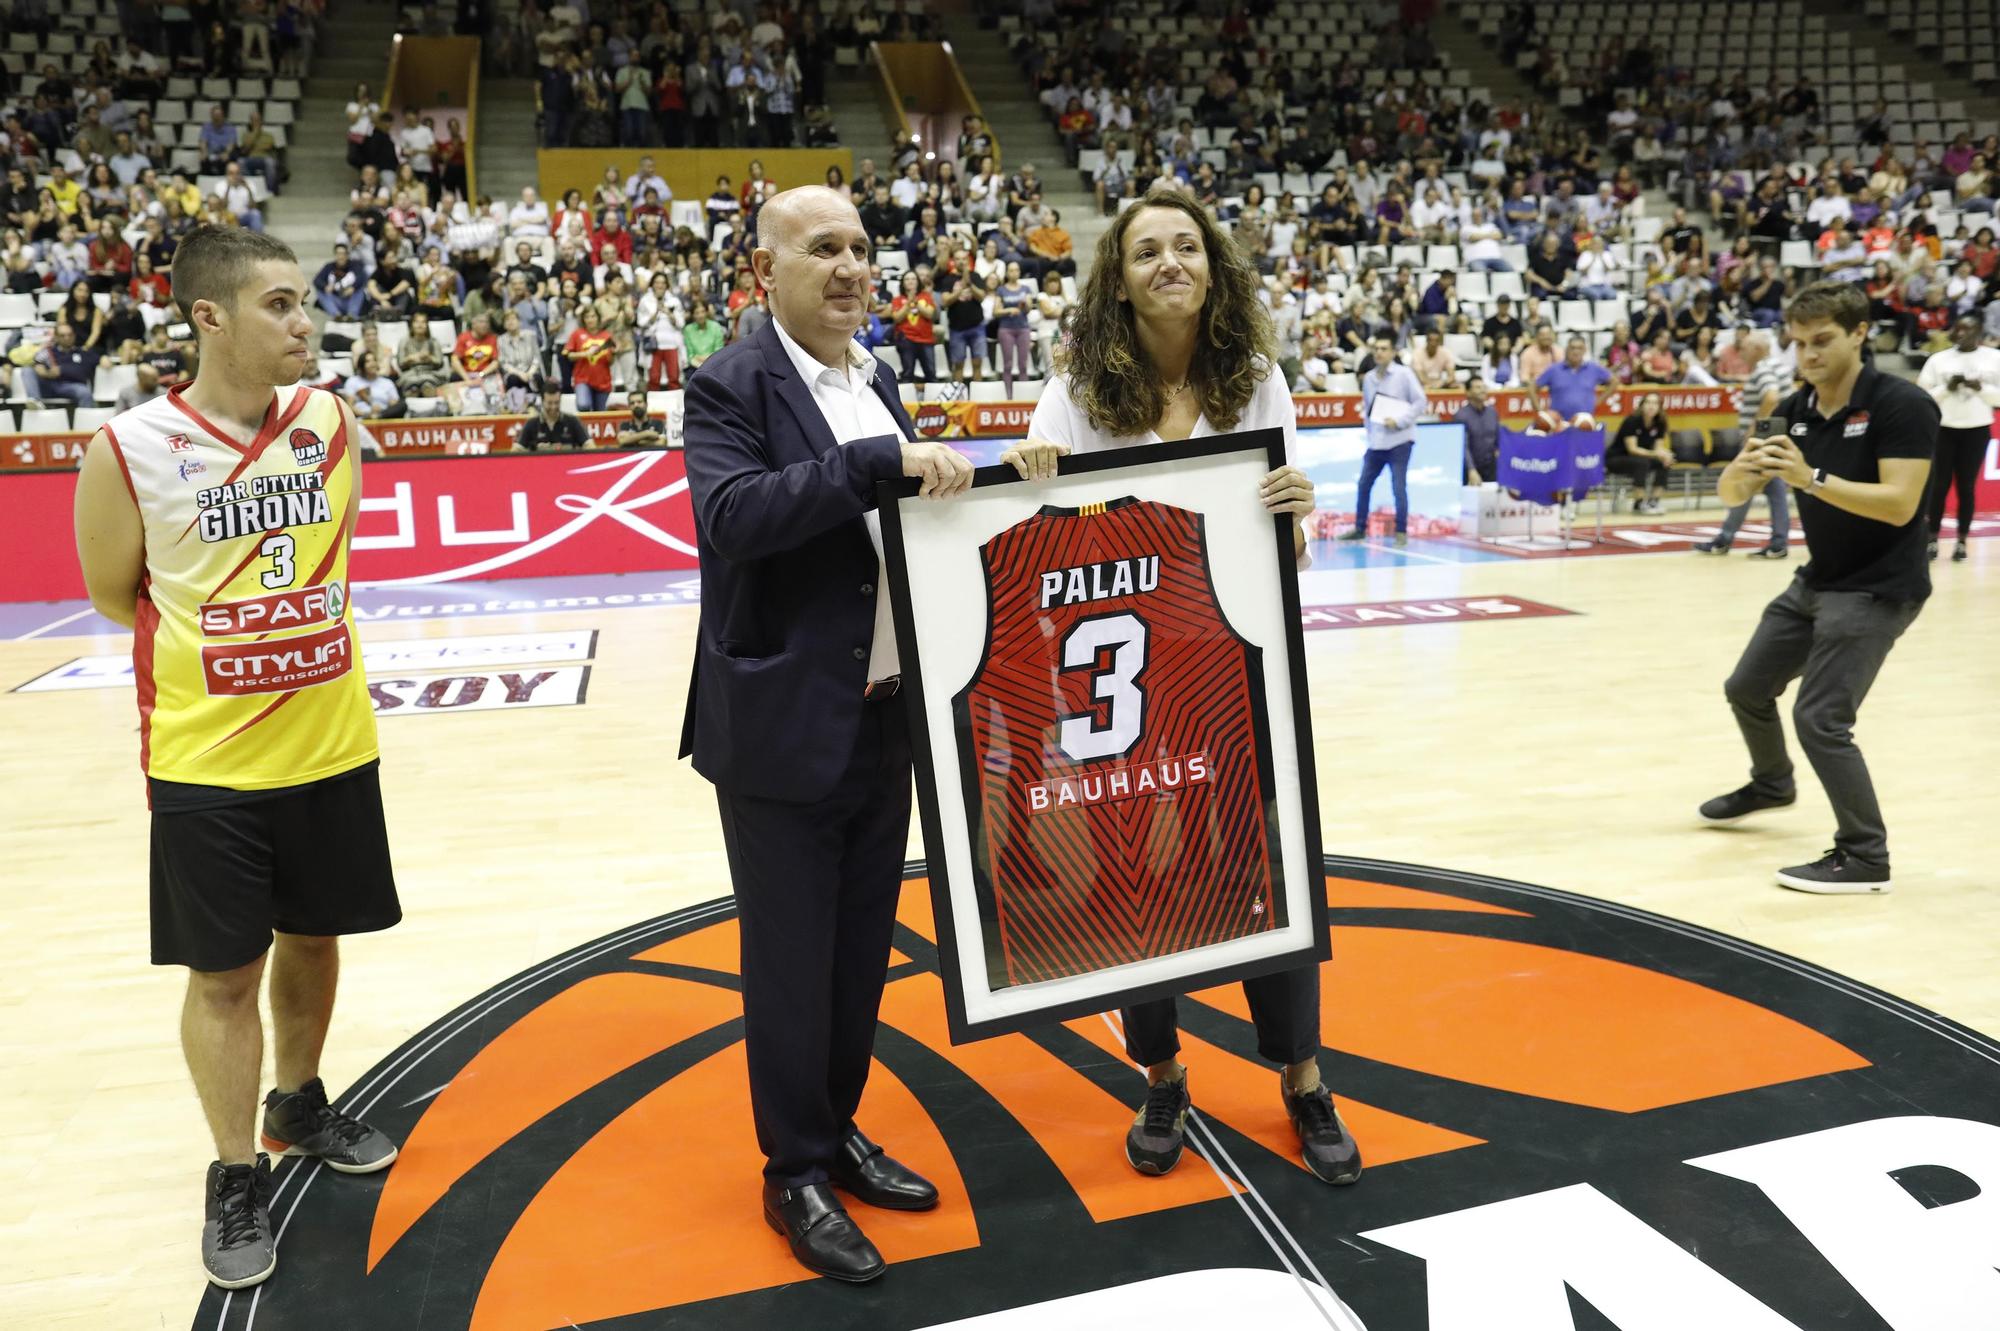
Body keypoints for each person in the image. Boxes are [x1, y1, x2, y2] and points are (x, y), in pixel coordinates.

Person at [69, 226, 401, 1292]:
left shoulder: (332, 421)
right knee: (223, 975)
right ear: (210, 316)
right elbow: (115, 592)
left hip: (333, 741)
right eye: (279, 305)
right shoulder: (128, 447)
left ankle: (297, 1100)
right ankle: (233, 1171)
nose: (305, 322)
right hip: (206, 760)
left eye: (305, 303)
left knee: (314, 936)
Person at [1014, 185, 1360, 1187]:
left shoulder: (1256, 381)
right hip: (1125, 691)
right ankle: (1160, 1073)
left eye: (1184, 246)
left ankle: (1301, 1076)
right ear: (1116, 285)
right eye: (1144, 252)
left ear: (1211, 266)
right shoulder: (1074, 394)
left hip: (1236, 670)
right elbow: (1037, 538)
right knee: (1140, 877)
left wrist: (1296, 509)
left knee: (1270, 869)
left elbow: (1279, 542)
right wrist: (1034, 471)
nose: (1167, 261)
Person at [680, 185, 974, 1284]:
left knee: (859, 958)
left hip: (884, 713)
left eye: (859, 248)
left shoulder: (877, 380)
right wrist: (870, 466)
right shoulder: (729, 383)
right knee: (793, 963)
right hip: (780, 726)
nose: (849, 267)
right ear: (767, 272)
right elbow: (730, 518)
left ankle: (836, 1125)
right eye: (821, 250)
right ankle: (792, 1167)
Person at [1701, 282, 1938, 894]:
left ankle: (1864, 856)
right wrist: (1742, 469)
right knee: (1747, 687)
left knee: (1821, 718)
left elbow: (1900, 505)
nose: (1808, 354)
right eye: (1799, 341)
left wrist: (1810, 478)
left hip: (1880, 586)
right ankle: (1773, 782)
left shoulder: (1901, 404)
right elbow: (1731, 496)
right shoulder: (1793, 410)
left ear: (1860, 334)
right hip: (1818, 580)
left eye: (1822, 340)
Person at [1696, 331, 1793, 557]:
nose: (1741, 353)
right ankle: (1731, 538)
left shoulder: (1764, 369)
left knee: (1745, 485)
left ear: (1758, 349)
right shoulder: (1779, 366)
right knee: (1763, 488)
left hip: (1763, 440)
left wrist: (1754, 431)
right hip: (1776, 437)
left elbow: (1771, 397)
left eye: (1745, 348)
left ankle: (1740, 539)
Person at [1915, 313, 2000, 563]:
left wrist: (1980, 388)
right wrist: (1946, 388)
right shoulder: (1939, 359)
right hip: (1944, 428)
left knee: (1966, 486)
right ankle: (1932, 539)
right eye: (1958, 329)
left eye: (1968, 330)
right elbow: (1922, 397)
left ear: (1979, 333)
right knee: (1938, 486)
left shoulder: (1994, 358)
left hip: (1976, 429)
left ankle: (1962, 541)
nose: (1961, 334)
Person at [1341, 336, 1427, 546]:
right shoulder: (1369, 378)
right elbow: (1369, 408)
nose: (1379, 352)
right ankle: (1360, 528)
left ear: (1392, 352)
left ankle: (1401, 531)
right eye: (1376, 349)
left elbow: (1420, 402)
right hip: (1377, 441)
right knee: (1364, 484)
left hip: (1400, 440)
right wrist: (1369, 433)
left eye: (1383, 348)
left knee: (1398, 486)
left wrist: (1398, 421)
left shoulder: (1404, 374)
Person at [1610, 392, 1673, 513]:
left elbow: (1658, 448)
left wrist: (1665, 455)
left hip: (1643, 457)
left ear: (1660, 407)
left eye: (1655, 403)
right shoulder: (1632, 421)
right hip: (1618, 457)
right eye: (1648, 402)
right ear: (1641, 405)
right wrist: (1656, 454)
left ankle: (1654, 502)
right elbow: (1632, 449)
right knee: (1642, 463)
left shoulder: (1660, 422)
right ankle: (1639, 503)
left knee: (1664, 462)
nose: (1651, 406)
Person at [1534, 335, 1611, 431]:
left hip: (1584, 425)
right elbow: (1532, 388)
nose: (1576, 351)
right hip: (1557, 425)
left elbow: (1614, 382)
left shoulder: (1593, 368)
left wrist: (1599, 401)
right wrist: (1540, 411)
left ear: (1585, 350)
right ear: (1566, 350)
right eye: (1572, 348)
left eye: (1579, 348)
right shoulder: (1554, 369)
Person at [1458, 377, 1500, 483]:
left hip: (1491, 468)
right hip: (1471, 469)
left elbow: (1499, 440)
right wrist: (1471, 470)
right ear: (1468, 392)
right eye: (1477, 387)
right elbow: (1463, 446)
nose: (1482, 390)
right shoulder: (1461, 416)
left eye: (1484, 387)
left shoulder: (1492, 412)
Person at [516, 390, 590, 450]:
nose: (553, 407)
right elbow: (516, 450)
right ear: (542, 402)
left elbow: (590, 445)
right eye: (550, 403)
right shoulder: (531, 423)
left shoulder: (572, 421)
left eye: (556, 403)